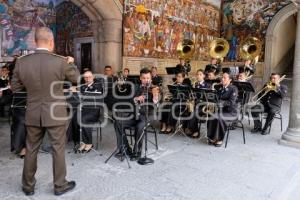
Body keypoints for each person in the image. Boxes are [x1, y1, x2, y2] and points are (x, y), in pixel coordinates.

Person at [11, 27, 79, 196]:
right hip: (56, 113)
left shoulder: (22, 61)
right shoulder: (61, 61)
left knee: (31, 148)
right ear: (51, 42)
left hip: (33, 112)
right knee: (58, 149)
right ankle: (60, 185)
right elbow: (76, 79)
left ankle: (28, 186)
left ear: (35, 42)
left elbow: (15, 87)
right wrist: (70, 62)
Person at [114, 68, 159, 161]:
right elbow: (129, 99)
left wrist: (155, 97)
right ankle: (125, 149)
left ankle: (137, 152)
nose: (146, 80)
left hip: (147, 116)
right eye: (144, 78)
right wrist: (136, 98)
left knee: (140, 126)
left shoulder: (154, 88)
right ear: (140, 78)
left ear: (151, 78)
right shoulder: (135, 87)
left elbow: (157, 103)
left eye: (148, 78)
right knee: (117, 122)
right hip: (134, 115)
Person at [72, 71, 103, 153]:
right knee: (75, 118)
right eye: (85, 77)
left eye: (89, 77)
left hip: (94, 111)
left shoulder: (98, 85)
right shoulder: (83, 86)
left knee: (83, 119)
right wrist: (75, 89)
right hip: (85, 109)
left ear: (93, 77)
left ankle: (89, 143)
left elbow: (94, 92)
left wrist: (83, 89)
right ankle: (80, 141)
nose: (87, 79)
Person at [206, 72, 238, 147]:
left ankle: (219, 139)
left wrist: (220, 102)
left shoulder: (234, 88)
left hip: (231, 112)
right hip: (221, 111)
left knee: (219, 118)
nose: (222, 79)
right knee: (212, 116)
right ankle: (212, 137)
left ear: (230, 80)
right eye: (222, 77)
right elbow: (215, 99)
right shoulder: (220, 88)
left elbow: (231, 102)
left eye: (224, 78)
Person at [186, 69, 210, 138]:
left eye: (200, 74)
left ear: (204, 76)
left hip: (203, 105)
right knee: (188, 109)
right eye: (197, 74)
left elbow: (208, 98)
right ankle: (188, 128)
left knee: (194, 112)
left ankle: (195, 131)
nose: (198, 76)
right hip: (196, 104)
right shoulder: (195, 84)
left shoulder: (207, 85)